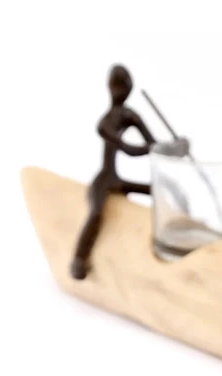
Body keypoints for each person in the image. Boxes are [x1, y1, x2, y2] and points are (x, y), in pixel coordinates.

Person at [70, 65, 156, 280]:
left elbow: (153, 144)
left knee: (160, 192)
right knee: (96, 213)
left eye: (125, 85)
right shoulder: (104, 123)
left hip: (118, 181)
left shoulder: (130, 115)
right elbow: (129, 149)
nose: (122, 90)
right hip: (105, 179)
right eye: (118, 85)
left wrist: (172, 148)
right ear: (110, 87)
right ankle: (79, 259)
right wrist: (156, 148)